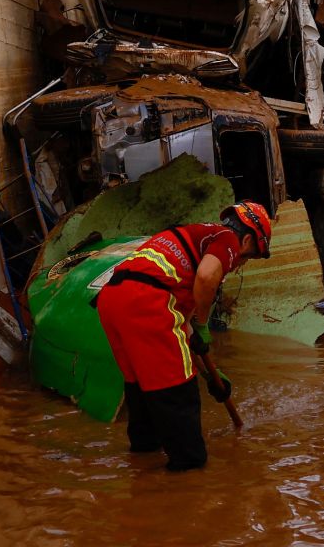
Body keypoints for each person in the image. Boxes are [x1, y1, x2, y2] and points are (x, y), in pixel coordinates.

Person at [94, 201, 273, 470]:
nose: (239, 265)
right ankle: (187, 484)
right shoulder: (226, 239)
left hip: (112, 301)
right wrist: (203, 322)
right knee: (179, 398)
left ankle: (142, 473)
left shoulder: (194, 239)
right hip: (147, 302)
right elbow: (206, 277)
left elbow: (184, 335)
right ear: (247, 239)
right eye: (248, 257)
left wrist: (210, 375)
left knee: (142, 391)